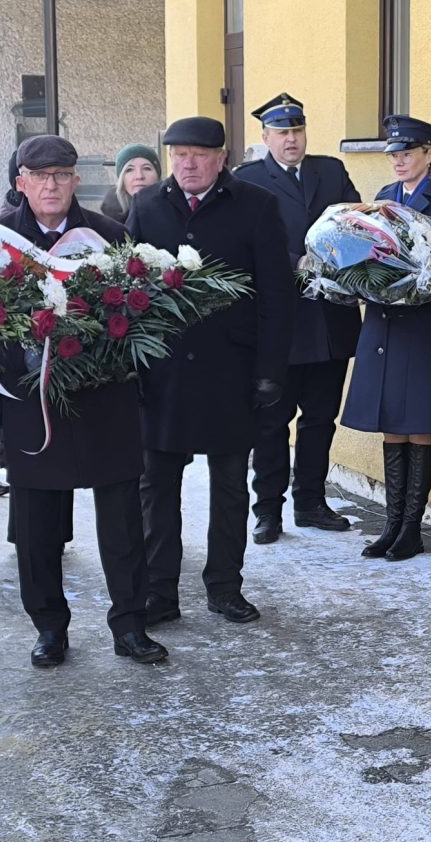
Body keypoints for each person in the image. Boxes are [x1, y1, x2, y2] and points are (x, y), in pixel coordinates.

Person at [0, 134, 167, 668]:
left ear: (76, 180)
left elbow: (141, 316)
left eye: (62, 174)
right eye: (40, 175)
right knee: (38, 526)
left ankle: (130, 624)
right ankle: (49, 627)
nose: (51, 184)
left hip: (105, 401)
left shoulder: (111, 235)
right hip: (32, 404)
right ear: (21, 181)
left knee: (120, 520)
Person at [126, 116, 292, 625]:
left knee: (228, 487)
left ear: (222, 159)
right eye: (179, 154)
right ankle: (160, 592)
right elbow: (126, 289)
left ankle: (224, 587)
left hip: (231, 373)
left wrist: (270, 373)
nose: (189, 163)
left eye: (200, 154)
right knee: (157, 488)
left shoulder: (257, 206)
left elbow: (276, 298)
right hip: (164, 375)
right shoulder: (147, 206)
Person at [340, 115, 431, 560]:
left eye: (407, 153)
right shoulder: (381, 199)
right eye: (393, 154)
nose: (398, 161)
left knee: (417, 424)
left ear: (429, 154)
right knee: (391, 421)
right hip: (382, 320)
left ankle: (412, 527)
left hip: (420, 321)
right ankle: (392, 523)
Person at [234, 93, 361, 544]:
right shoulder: (248, 179)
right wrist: (294, 262)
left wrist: (332, 259)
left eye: (298, 131)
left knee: (320, 418)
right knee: (271, 423)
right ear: (266, 137)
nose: (292, 140)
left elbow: (353, 223)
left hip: (329, 322)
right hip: (279, 324)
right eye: (283, 132)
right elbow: (241, 246)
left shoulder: (331, 170)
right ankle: (268, 509)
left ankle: (311, 502)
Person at [101, 143, 161, 223]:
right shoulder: (107, 224)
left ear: (158, 175)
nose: (139, 176)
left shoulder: (174, 210)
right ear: (122, 179)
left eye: (147, 168)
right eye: (129, 170)